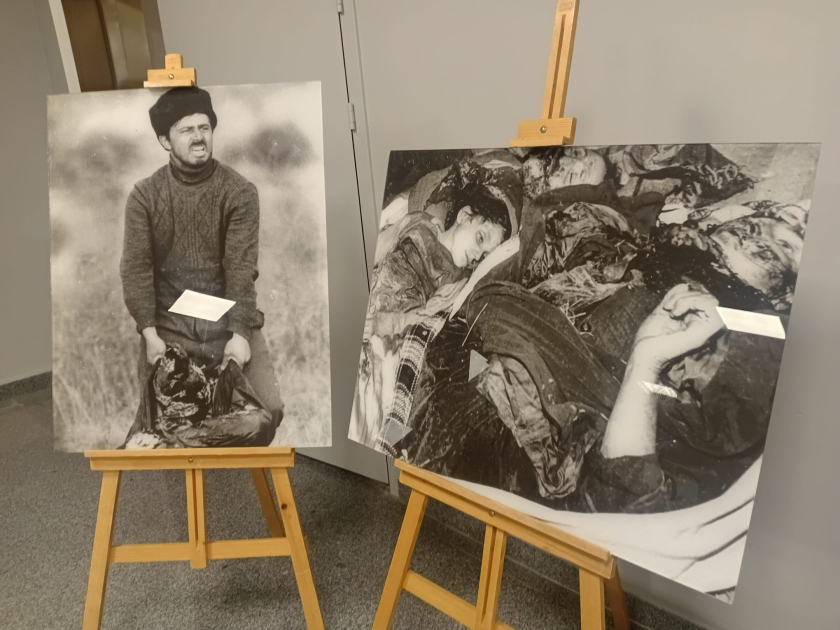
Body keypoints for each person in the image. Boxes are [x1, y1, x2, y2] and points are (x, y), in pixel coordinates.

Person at [119, 86, 282, 447]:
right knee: (155, 422)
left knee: (269, 412)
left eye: (204, 128)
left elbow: (241, 269)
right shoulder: (144, 196)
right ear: (164, 140)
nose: (198, 137)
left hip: (226, 320)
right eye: (186, 129)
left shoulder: (239, 192)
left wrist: (240, 335)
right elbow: (135, 269)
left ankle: (177, 438)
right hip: (168, 327)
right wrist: (149, 334)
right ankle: (173, 434)